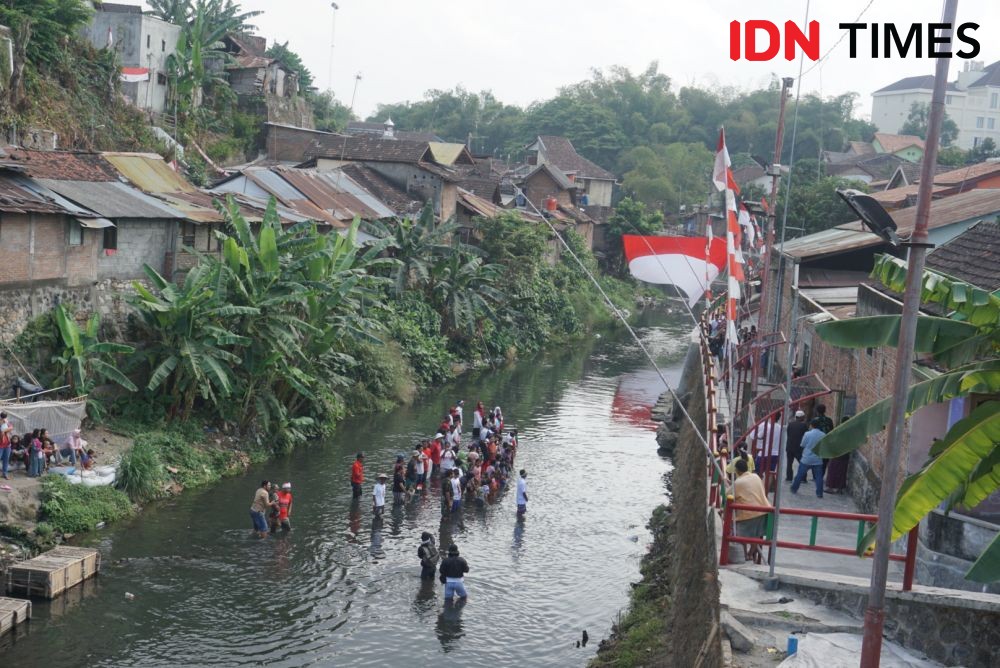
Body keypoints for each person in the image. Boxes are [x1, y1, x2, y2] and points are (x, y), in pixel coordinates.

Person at [732, 458, 770, 563]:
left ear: (737, 471)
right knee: (756, 535)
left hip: (748, 513)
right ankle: (750, 554)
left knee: (741, 534)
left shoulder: (738, 482)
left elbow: (729, 495)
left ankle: (745, 555)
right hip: (763, 510)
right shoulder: (756, 476)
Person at [791, 419, 826, 498]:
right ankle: (819, 493)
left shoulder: (807, 434)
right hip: (817, 459)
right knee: (819, 477)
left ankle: (794, 488)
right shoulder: (823, 435)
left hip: (806, 458)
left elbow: (802, 444)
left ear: (812, 425)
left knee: (799, 475)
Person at [824, 416, 852, 494]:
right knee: (842, 472)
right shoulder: (850, 432)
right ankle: (840, 488)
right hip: (845, 454)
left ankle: (830, 487)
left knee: (833, 470)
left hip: (836, 454)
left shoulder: (839, 431)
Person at [785, 410, 808, 482]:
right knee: (802, 462)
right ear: (801, 417)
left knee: (789, 463)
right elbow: (805, 436)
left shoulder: (790, 424)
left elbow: (788, 434)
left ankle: (789, 477)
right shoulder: (804, 425)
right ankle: (803, 477)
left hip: (789, 447)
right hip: (798, 447)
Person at [0, 412, 12, 480]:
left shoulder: (7, 422)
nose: (4, 418)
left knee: (6, 460)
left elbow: (11, 427)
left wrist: (3, 431)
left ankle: (5, 473)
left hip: (7, 445)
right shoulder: (1, 422)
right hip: (0, 445)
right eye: (3, 416)